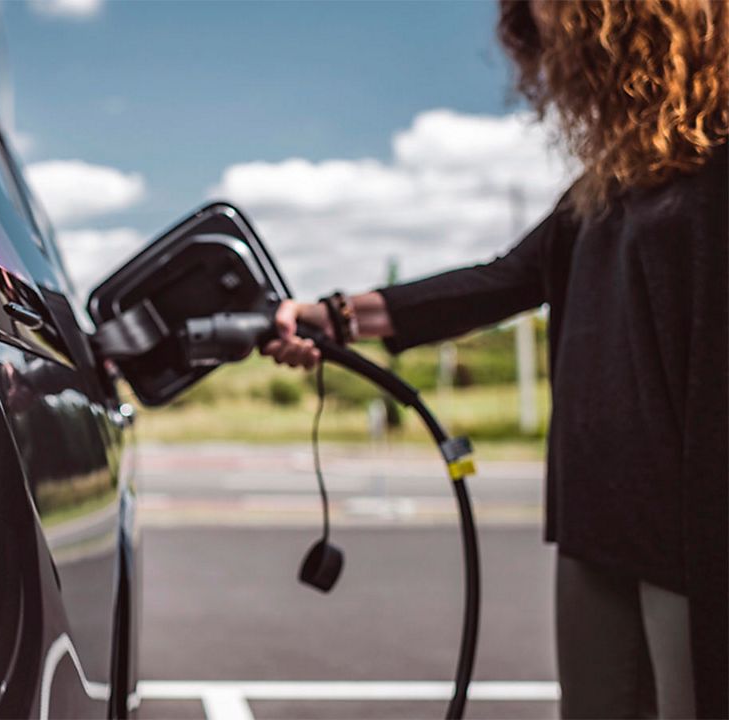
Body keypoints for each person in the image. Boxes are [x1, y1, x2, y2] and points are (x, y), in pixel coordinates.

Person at [263, 1, 727, 718]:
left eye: (564, 38)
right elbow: (499, 281)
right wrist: (335, 317)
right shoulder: (605, 189)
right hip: (595, 527)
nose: (558, 70)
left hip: (695, 544)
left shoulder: (714, 166)